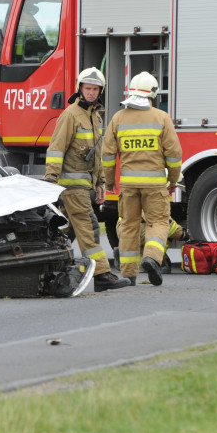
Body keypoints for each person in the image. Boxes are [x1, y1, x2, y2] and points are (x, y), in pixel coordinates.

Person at [45, 68, 131, 292]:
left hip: (86, 186)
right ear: (80, 89)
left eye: (95, 89)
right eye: (88, 88)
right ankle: (102, 274)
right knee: (89, 227)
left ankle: (46, 263)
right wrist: (50, 179)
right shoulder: (71, 115)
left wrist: (101, 183)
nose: (91, 93)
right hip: (72, 187)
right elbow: (56, 149)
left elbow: (97, 154)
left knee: (67, 232)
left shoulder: (95, 116)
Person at [101, 72, 182, 287]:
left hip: (128, 186)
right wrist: (173, 179)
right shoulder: (161, 117)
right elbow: (173, 154)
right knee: (158, 222)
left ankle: (129, 274)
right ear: (152, 93)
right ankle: (152, 258)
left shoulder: (118, 118)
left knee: (128, 225)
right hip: (155, 185)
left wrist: (109, 182)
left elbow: (107, 154)